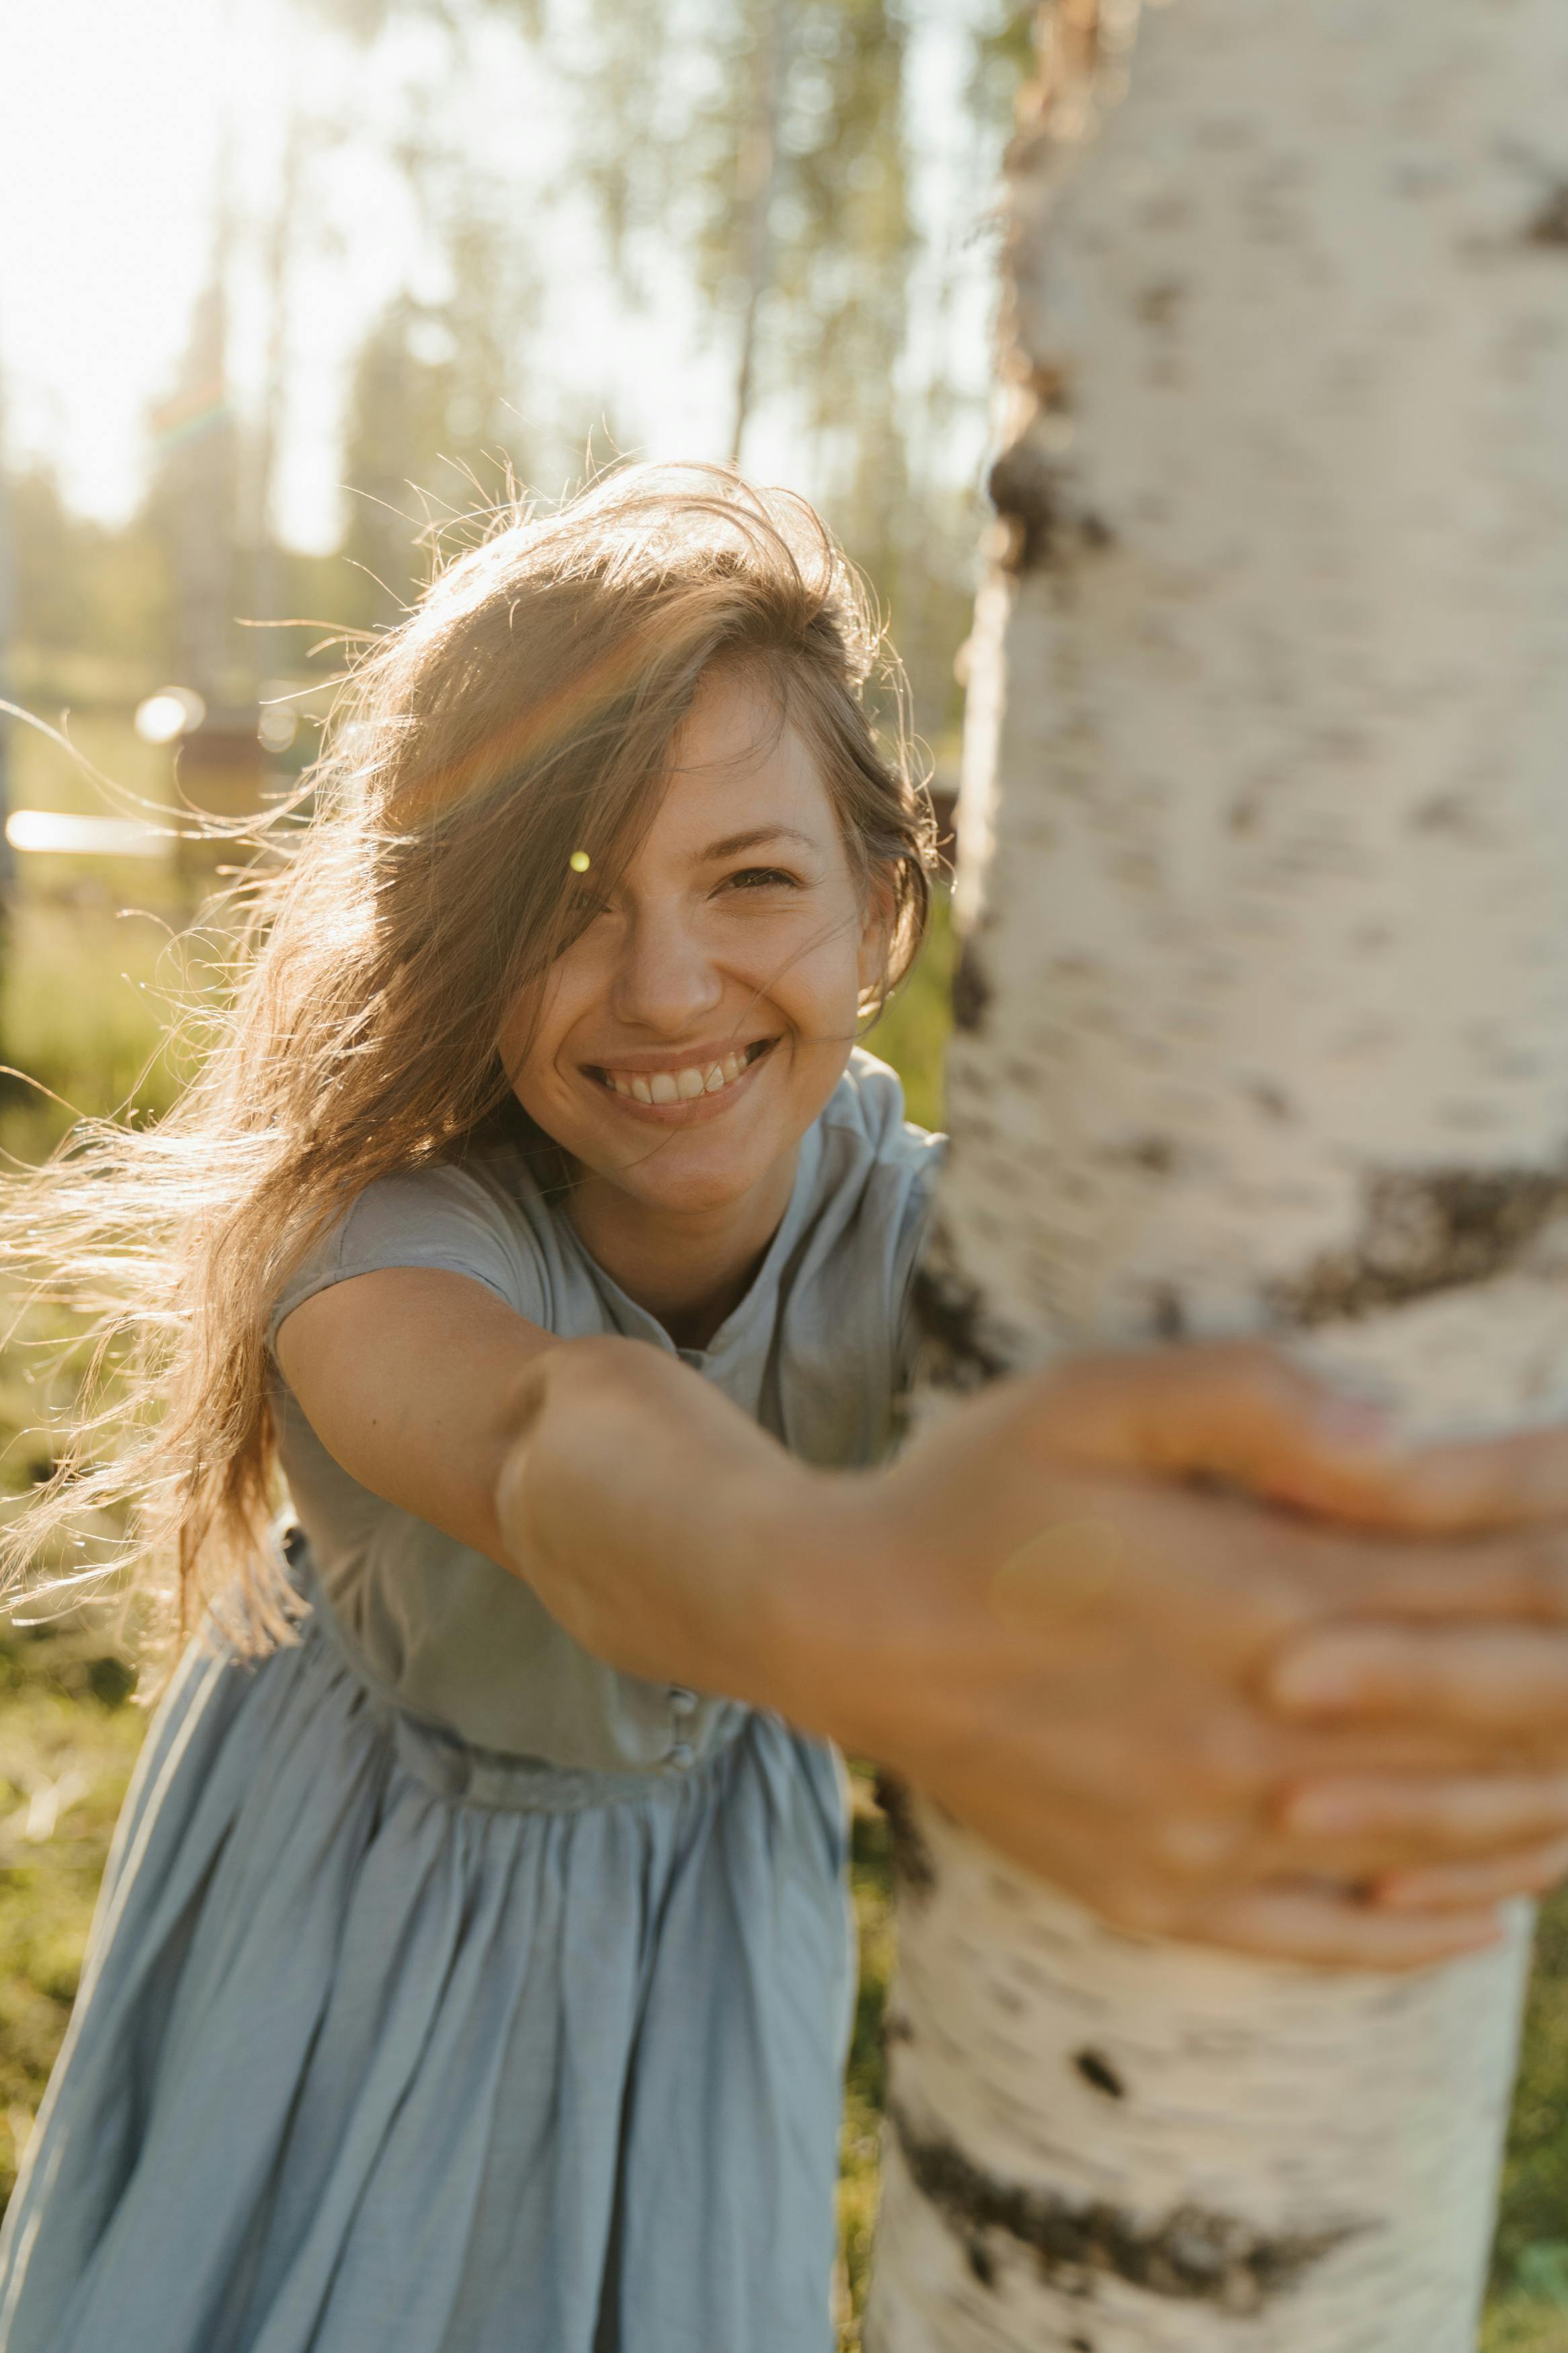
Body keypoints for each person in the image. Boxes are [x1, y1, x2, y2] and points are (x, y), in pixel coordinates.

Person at [5, 466, 1568, 2353]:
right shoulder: (386, 1230)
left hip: (704, 1917)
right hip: (360, 1914)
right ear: (463, 937)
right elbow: (547, 1436)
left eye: (751, 878)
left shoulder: (934, 1236)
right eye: (569, 902)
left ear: (878, 906)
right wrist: (865, 1605)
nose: (667, 985)